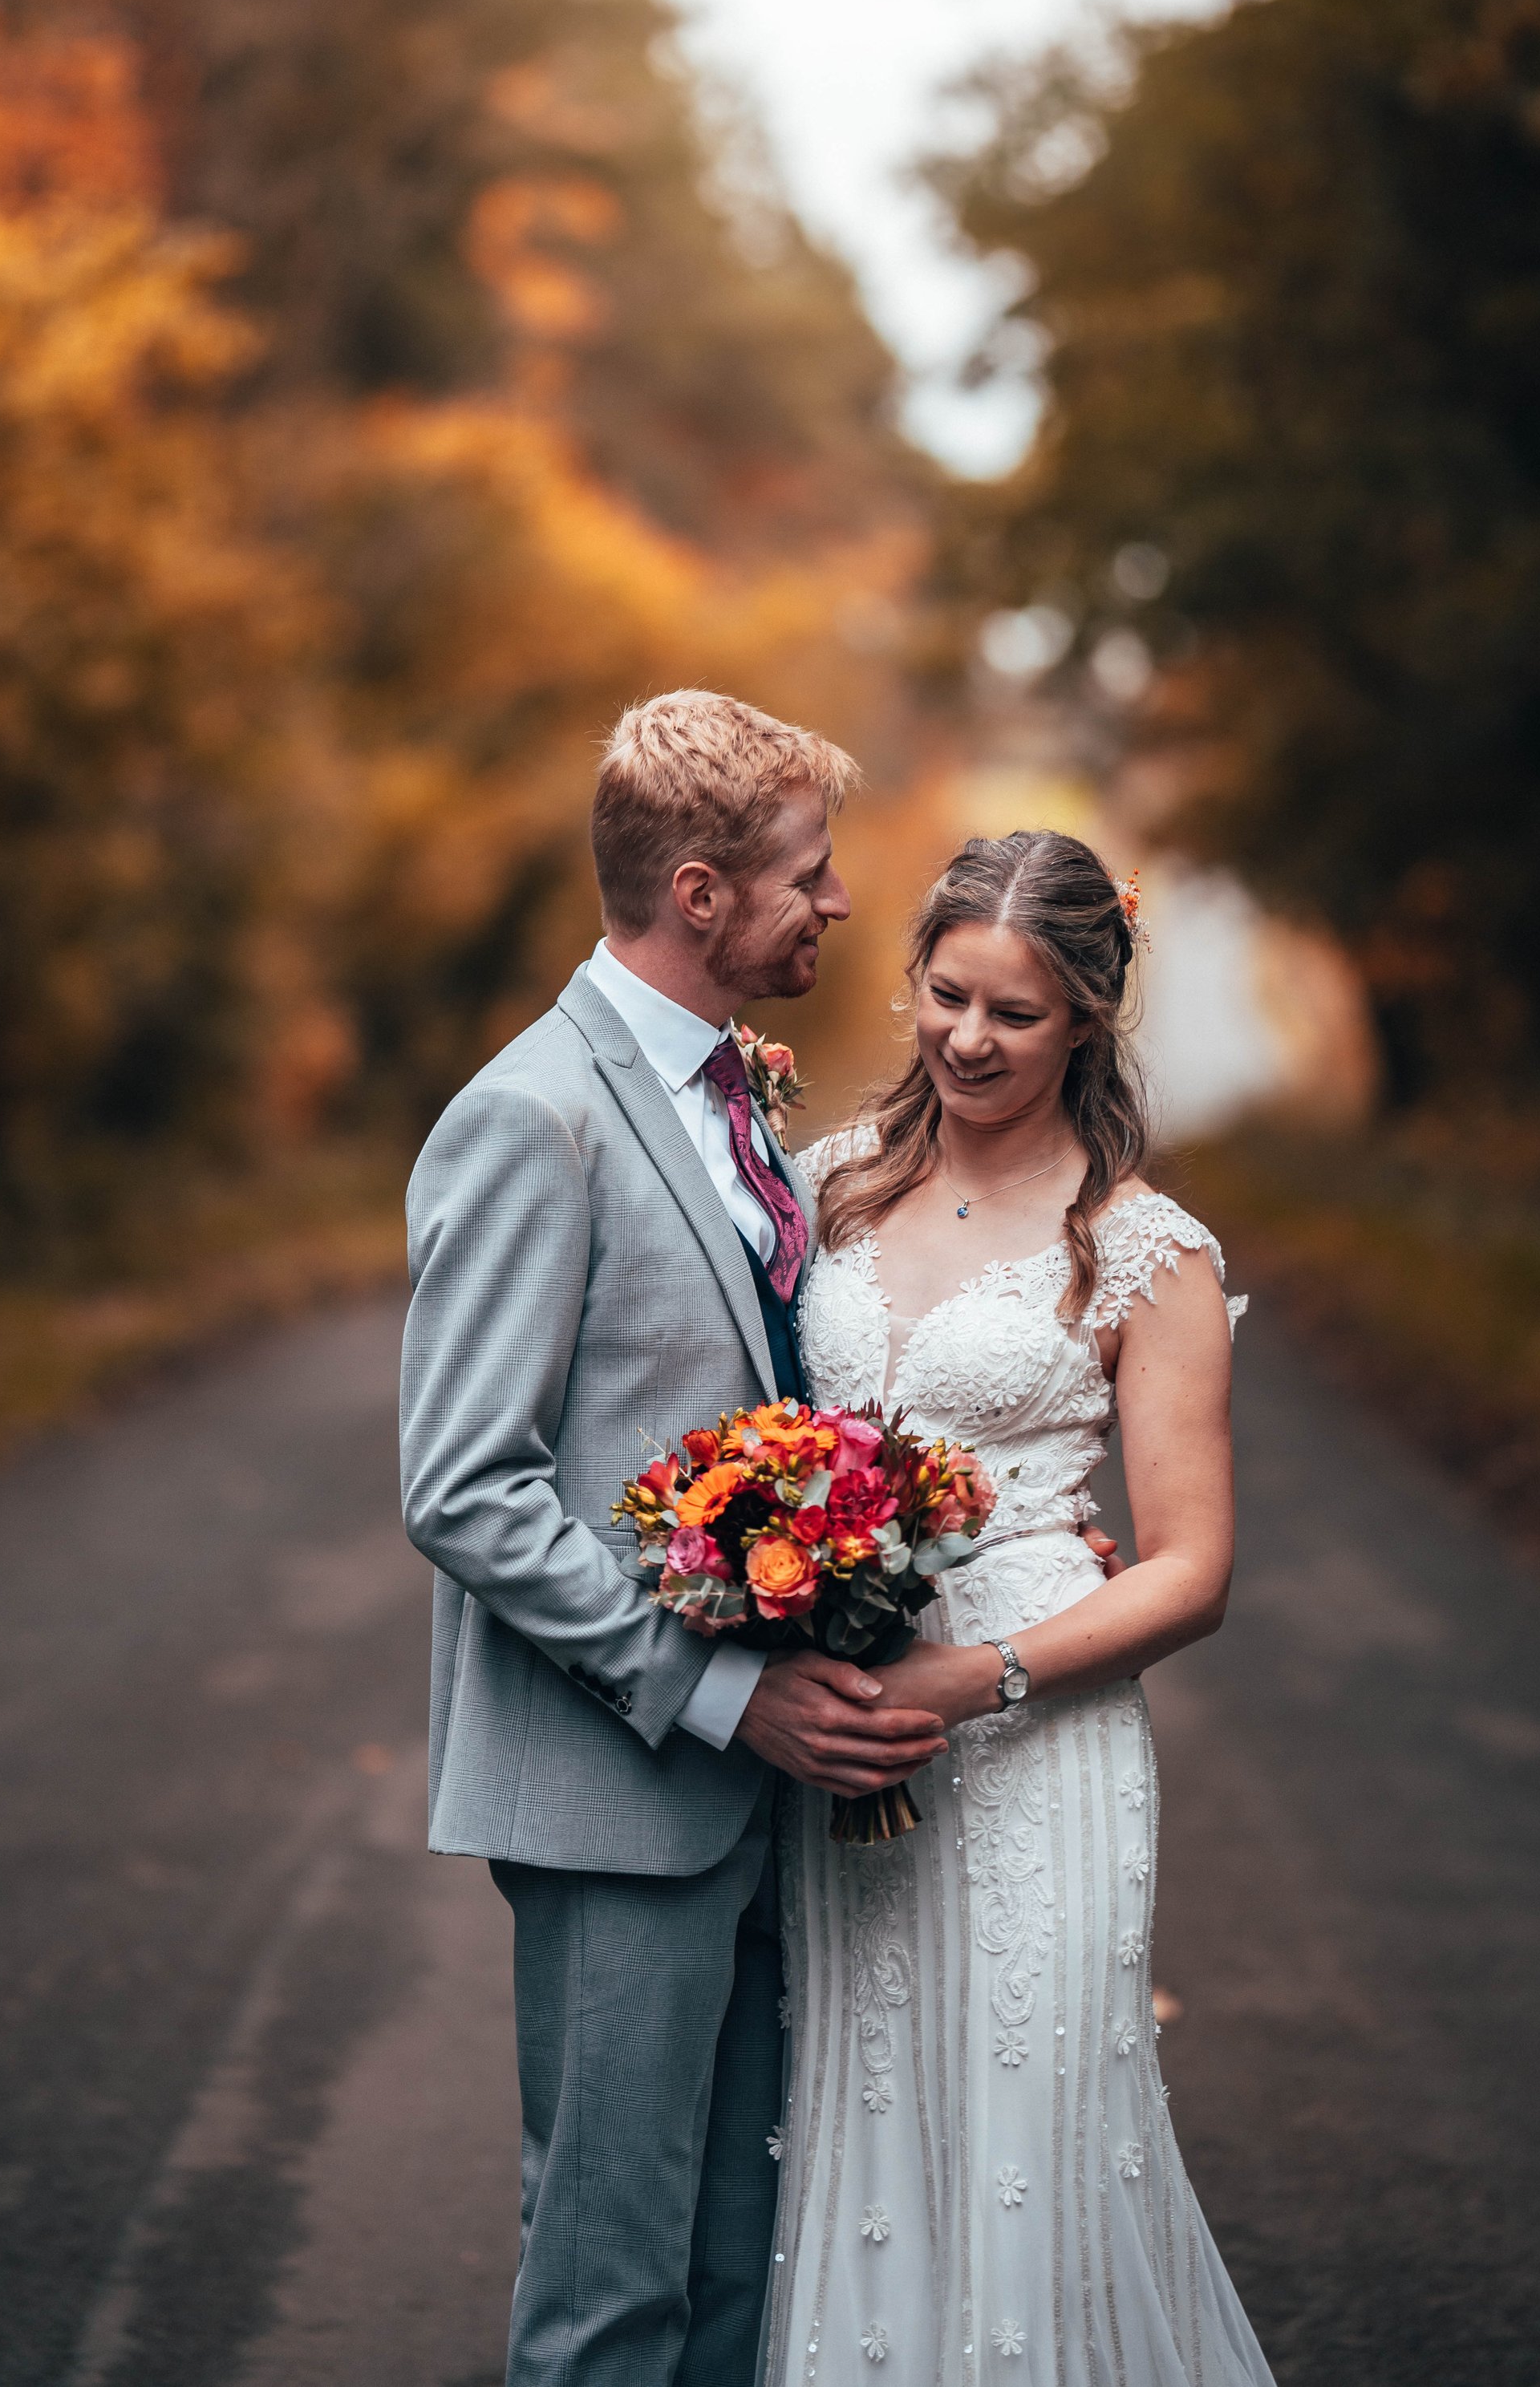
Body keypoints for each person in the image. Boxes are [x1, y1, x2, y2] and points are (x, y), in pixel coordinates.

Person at [398, 690, 950, 2387]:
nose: (839, 904)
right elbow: (464, 1485)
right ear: (698, 894)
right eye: (808, 873)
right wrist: (720, 1698)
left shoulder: (731, 1099)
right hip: (619, 1791)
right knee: (608, 2294)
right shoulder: (531, 1114)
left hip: (755, 1804)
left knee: (736, 2278)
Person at [763, 829, 1278, 2387]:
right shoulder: (820, 1190)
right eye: (946, 995)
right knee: (854, 2121)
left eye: (1015, 1013)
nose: (968, 1040)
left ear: (1083, 1026)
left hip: (1033, 1747)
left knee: (1028, 2130)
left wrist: (969, 1682)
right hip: (840, 1740)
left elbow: (1188, 1569)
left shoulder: (1142, 1252)